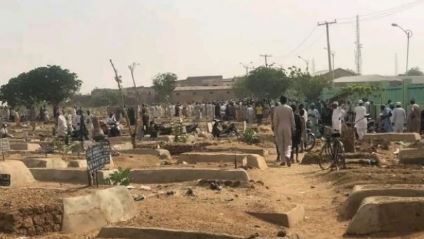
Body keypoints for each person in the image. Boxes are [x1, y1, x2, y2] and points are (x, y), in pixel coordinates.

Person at [272, 96, 295, 167]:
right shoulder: (289, 108)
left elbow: (275, 120)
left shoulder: (277, 109)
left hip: (279, 127)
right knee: (288, 143)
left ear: (280, 101)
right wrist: (293, 128)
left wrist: (275, 130)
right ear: (286, 100)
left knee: (280, 143)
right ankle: (287, 155)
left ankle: (283, 160)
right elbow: (292, 120)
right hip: (287, 127)